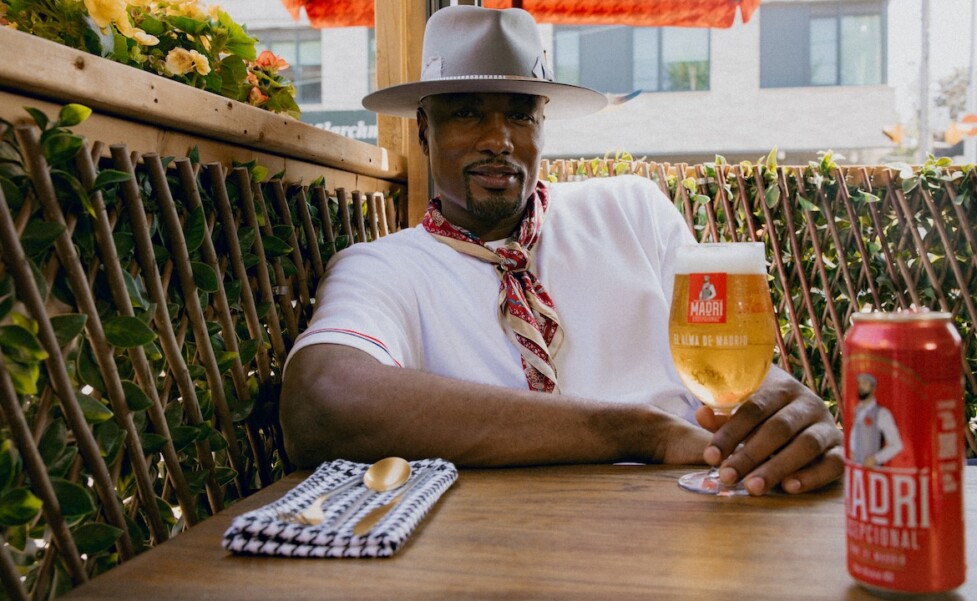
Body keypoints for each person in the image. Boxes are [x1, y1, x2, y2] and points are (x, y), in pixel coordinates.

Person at [280, 5, 843, 496]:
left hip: (687, 514)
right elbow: (322, 403)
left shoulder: (633, 210)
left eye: (521, 112)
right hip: (493, 550)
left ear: (542, 126)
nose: (498, 139)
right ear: (424, 130)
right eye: (467, 111)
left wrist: (774, 409)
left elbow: (720, 358)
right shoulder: (385, 267)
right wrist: (639, 433)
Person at [848, 374, 903, 468]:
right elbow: (854, 435)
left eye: (865, 384)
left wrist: (876, 458)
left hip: (874, 472)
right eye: (860, 384)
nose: (861, 387)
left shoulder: (882, 413)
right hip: (856, 470)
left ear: (873, 388)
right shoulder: (857, 410)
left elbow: (897, 445)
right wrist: (852, 451)